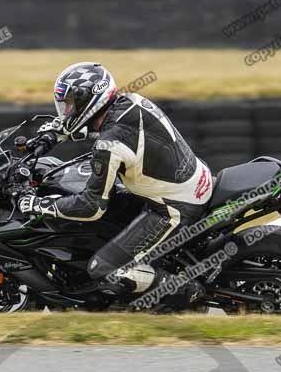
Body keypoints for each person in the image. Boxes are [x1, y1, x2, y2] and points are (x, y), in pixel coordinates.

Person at [18, 62, 213, 310]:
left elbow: (91, 207)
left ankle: (187, 293)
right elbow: (99, 128)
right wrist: (56, 133)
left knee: (105, 268)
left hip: (174, 207)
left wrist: (39, 204)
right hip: (191, 180)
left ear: (89, 100)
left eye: (70, 104)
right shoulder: (130, 102)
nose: (66, 110)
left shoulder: (109, 145)